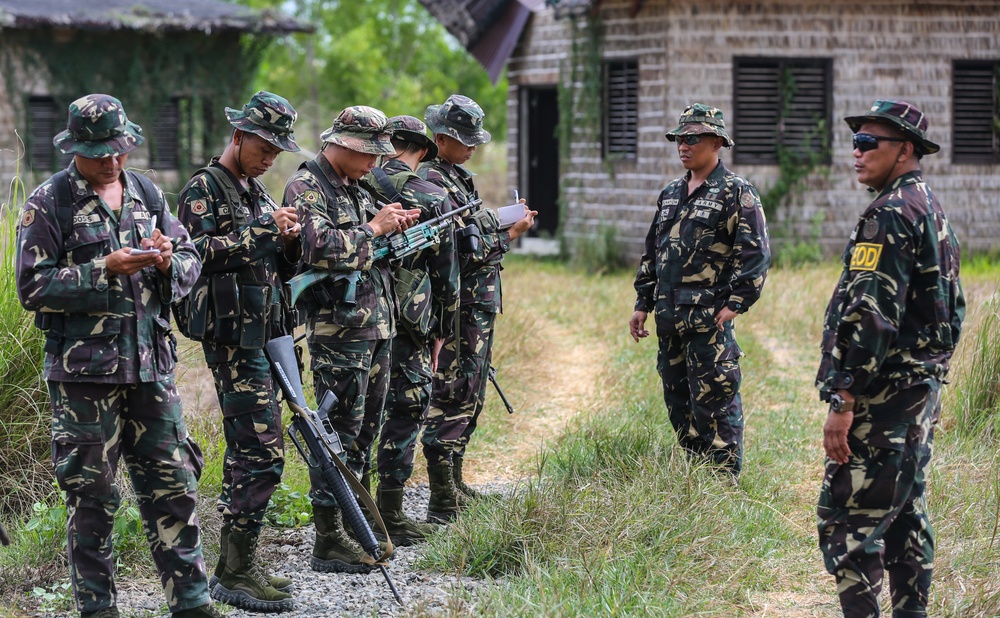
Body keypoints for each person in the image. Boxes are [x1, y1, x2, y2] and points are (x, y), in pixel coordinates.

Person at [15, 94, 218, 618]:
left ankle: (193, 606)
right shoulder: (50, 201)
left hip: (152, 372)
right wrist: (103, 268)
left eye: (119, 149)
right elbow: (32, 287)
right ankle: (98, 610)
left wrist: (171, 260)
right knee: (92, 503)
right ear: (76, 147)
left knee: (174, 490)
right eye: (99, 151)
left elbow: (190, 260)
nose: (111, 160)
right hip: (85, 382)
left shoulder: (146, 192)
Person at [815, 100, 965, 618]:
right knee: (903, 518)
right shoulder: (928, 206)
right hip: (917, 395)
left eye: (867, 143)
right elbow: (953, 311)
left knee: (847, 519)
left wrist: (845, 394)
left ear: (905, 150)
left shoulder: (891, 213)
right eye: (854, 142)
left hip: (883, 400)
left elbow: (871, 314)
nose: (855, 153)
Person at [176, 91, 301, 612]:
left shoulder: (257, 191)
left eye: (278, 150)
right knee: (263, 450)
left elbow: (273, 263)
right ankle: (234, 568)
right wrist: (262, 231)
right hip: (233, 341)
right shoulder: (204, 190)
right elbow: (196, 255)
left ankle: (237, 563)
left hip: (267, 333)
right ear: (239, 135)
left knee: (254, 449)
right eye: (264, 146)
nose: (270, 157)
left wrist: (289, 237)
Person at [282, 105, 419, 572]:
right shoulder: (307, 186)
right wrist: (373, 229)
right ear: (341, 144)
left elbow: (369, 249)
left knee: (363, 431)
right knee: (336, 433)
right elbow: (317, 247)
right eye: (368, 154)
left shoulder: (356, 187)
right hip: (338, 332)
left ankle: (354, 526)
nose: (374, 164)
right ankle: (327, 537)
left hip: (376, 325)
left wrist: (392, 230)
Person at [629, 103, 770, 482]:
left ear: (717, 142)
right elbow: (653, 252)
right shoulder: (671, 193)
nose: (683, 146)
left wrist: (736, 304)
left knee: (716, 402)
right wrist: (643, 303)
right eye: (679, 138)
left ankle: (723, 483)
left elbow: (755, 254)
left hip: (709, 321)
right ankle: (697, 480)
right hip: (669, 318)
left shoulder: (737, 193)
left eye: (692, 138)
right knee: (678, 402)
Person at [419, 94, 536, 523]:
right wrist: (511, 234)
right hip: (457, 307)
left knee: (471, 393)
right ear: (442, 137)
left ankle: (455, 482)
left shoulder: (458, 177)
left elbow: (471, 232)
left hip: (477, 307)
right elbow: (458, 253)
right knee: (451, 394)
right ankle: (441, 499)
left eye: (475, 139)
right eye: (464, 139)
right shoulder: (431, 182)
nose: (472, 147)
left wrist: (501, 223)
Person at [360, 115, 459, 544]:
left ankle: (355, 513)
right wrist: (444, 328)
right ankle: (392, 511)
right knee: (406, 409)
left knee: (359, 413)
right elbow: (448, 275)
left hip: (358, 317)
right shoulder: (432, 195)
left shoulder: (356, 184)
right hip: (412, 322)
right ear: (422, 149)